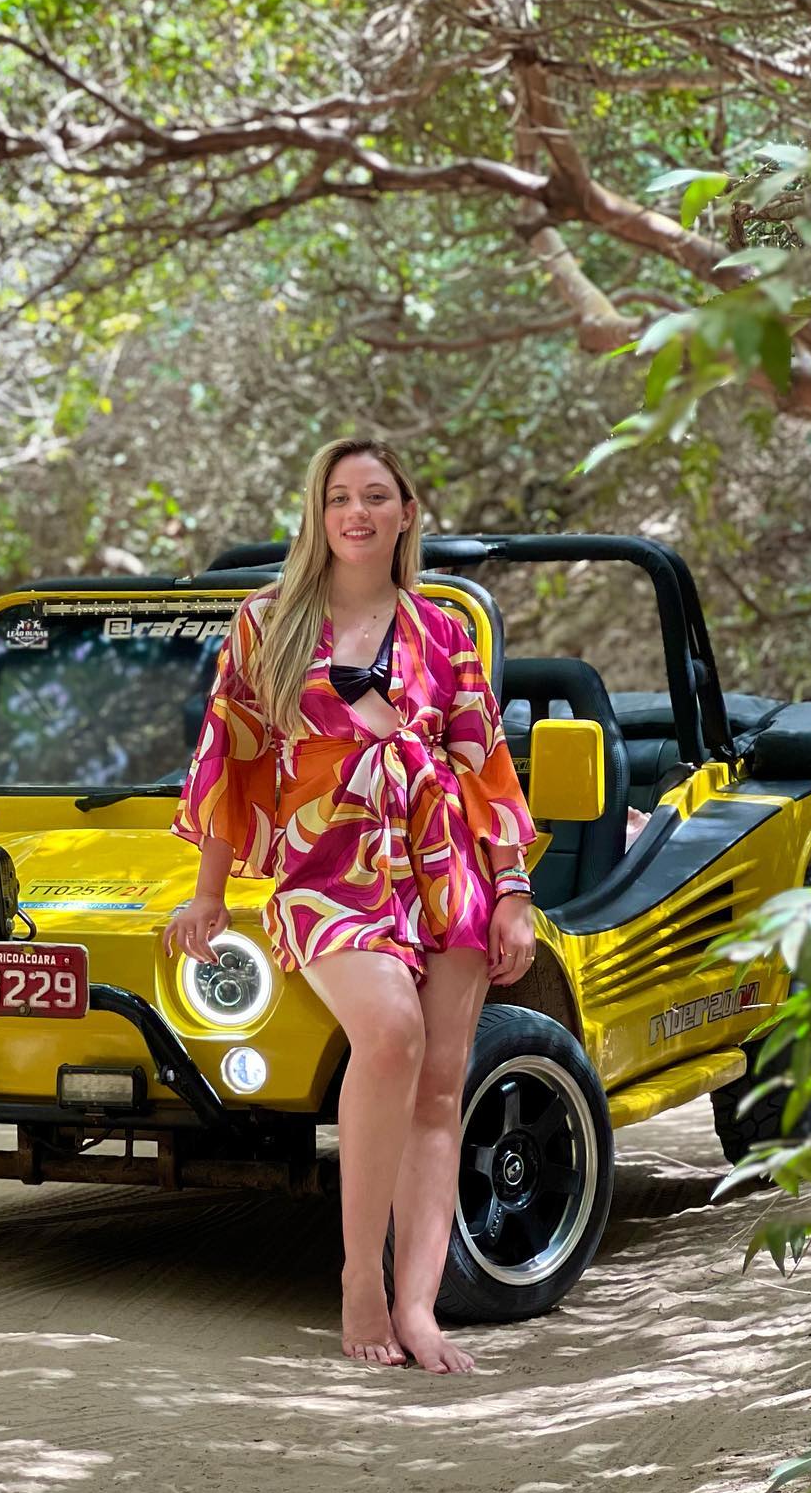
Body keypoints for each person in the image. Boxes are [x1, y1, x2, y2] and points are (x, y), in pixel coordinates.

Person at [162, 438, 538, 1374]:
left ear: (408, 513)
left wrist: (514, 894)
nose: (357, 513)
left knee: (442, 1083)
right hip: (323, 862)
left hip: (445, 857)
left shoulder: (443, 632)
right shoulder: (267, 624)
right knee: (390, 1036)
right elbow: (231, 760)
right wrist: (208, 895)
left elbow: (482, 762)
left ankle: (418, 1304)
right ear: (317, 515)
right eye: (338, 498)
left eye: (376, 496)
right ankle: (358, 1282)